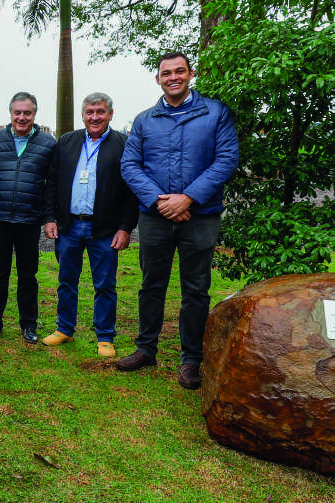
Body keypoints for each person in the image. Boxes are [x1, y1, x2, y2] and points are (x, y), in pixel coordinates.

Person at [116, 52, 239, 389]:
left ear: (190, 74)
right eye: (166, 73)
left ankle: (191, 360)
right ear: (158, 79)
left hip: (200, 216)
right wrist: (161, 201)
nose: (173, 77)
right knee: (151, 284)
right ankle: (146, 349)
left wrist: (189, 197)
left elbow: (227, 158)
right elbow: (130, 165)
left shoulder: (215, 113)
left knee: (196, 290)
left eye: (179, 71)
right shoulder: (144, 120)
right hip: (155, 217)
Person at [42, 93, 139, 357]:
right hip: (69, 226)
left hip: (105, 229)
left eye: (100, 112)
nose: (94, 117)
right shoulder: (67, 142)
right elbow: (52, 182)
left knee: (105, 284)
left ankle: (105, 337)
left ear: (110, 114)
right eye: (89, 112)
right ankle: (64, 329)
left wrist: (125, 227)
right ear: (82, 115)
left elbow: (132, 190)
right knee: (66, 280)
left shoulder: (123, 144)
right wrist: (49, 218)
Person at [0, 92, 56, 344]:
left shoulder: (47, 143)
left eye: (27, 113)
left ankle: (29, 324)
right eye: (17, 112)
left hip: (29, 219)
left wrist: (48, 217)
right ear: (10, 113)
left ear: (35, 114)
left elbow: (51, 185)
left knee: (28, 275)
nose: (22, 117)